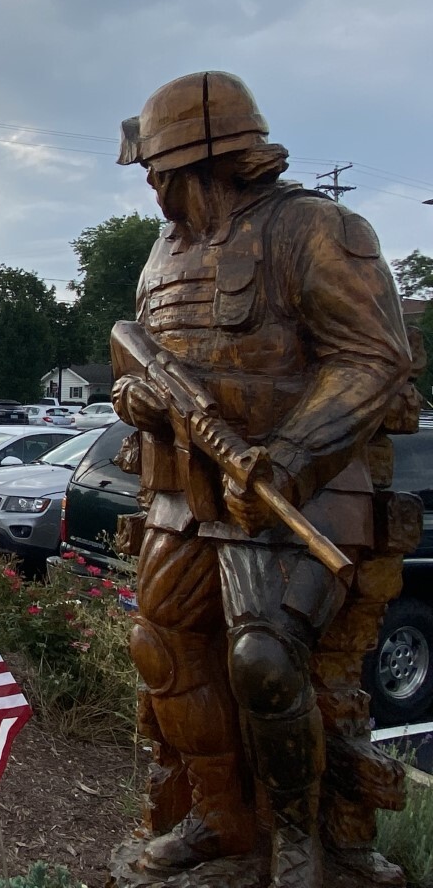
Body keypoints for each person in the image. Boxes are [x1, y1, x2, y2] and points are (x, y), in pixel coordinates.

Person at [110, 71, 413, 887]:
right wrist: (135, 398)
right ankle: (220, 815)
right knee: (162, 647)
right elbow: (134, 360)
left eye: (159, 171)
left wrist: (286, 454)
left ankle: (296, 836)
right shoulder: (163, 254)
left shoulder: (314, 230)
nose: (153, 189)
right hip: (185, 495)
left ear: (198, 159)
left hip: (297, 494)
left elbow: (374, 360)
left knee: (265, 660)